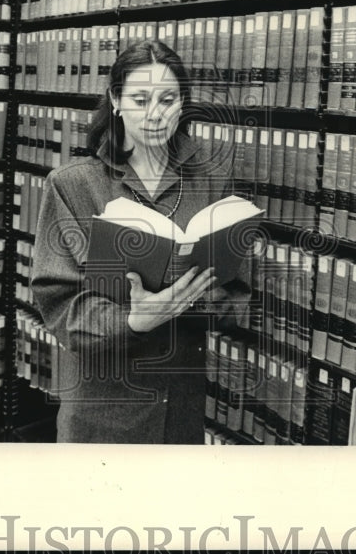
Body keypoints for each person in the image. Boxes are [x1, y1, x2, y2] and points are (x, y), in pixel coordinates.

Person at [30, 39, 251, 444]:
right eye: (139, 99)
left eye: (167, 99)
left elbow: (236, 294)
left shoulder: (211, 182)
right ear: (115, 100)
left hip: (180, 406)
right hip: (103, 410)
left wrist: (197, 299)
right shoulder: (73, 185)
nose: (154, 115)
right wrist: (134, 320)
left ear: (183, 104)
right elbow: (56, 302)